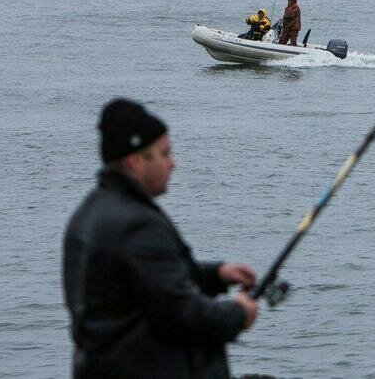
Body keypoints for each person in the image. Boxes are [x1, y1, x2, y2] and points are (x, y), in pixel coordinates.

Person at [63, 98, 259, 379]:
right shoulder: (137, 224)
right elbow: (183, 314)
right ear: (135, 161)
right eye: (165, 154)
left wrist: (216, 275)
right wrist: (238, 313)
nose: (173, 164)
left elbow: (147, 285)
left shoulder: (89, 213)